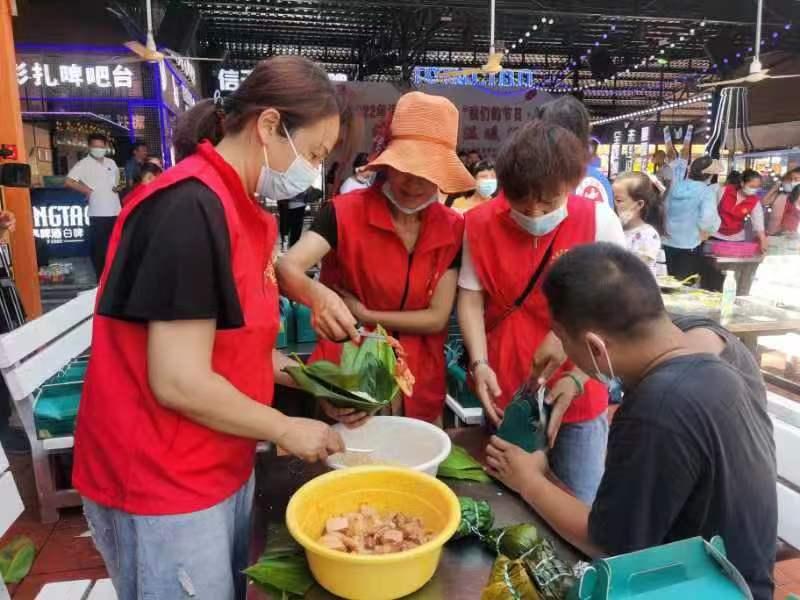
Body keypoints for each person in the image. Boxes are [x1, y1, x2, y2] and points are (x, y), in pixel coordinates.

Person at [72, 56, 354, 600]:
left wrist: (323, 386)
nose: (314, 172)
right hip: (162, 475)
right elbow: (178, 380)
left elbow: (237, 350)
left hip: (219, 458)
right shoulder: (188, 209)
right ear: (270, 125)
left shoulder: (243, 210)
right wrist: (283, 427)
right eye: (315, 154)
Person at [486, 243, 777, 600]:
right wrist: (577, 375)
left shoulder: (657, 410)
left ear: (595, 346)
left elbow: (609, 544)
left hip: (705, 590)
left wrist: (529, 479)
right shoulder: (717, 343)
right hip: (749, 579)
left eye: (563, 341)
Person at [457, 118, 625, 505]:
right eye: (521, 200)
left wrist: (581, 375)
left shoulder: (599, 220)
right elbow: (470, 296)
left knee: (578, 499)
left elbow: (618, 309)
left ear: (571, 184)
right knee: (505, 499)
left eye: (548, 201)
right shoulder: (479, 223)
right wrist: (480, 363)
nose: (533, 212)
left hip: (576, 388)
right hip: (506, 385)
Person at [277, 91, 473, 424]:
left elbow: (438, 318)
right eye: (405, 168)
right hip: (348, 371)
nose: (414, 183)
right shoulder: (344, 213)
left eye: (427, 172)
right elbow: (287, 267)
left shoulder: (453, 227)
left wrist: (366, 312)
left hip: (418, 378)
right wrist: (321, 298)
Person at [65, 133, 122, 277]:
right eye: (95, 146)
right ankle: (101, 278)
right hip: (98, 213)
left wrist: (118, 187)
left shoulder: (111, 162)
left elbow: (116, 181)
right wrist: (86, 190)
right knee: (100, 248)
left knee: (116, 246)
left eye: (101, 146)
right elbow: (68, 181)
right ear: (90, 147)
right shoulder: (83, 164)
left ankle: (115, 276)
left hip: (116, 210)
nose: (99, 149)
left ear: (105, 147)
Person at [661, 151, 722, 280]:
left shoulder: (676, 187)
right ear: (709, 176)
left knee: (666, 282)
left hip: (666, 243)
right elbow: (708, 218)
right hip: (689, 245)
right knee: (684, 286)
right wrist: (708, 231)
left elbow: (664, 209)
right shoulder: (706, 192)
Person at [613, 172, 666, 276]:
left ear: (639, 204)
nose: (614, 204)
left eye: (618, 200)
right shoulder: (615, 228)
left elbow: (636, 271)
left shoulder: (648, 235)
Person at [713, 168, 768, 252]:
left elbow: (758, 223)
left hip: (736, 238)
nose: (754, 190)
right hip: (716, 234)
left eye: (757, 187)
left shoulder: (755, 202)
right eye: (752, 186)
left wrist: (763, 240)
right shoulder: (724, 191)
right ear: (742, 183)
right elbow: (711, 210)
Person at [764, 168, 800, 235]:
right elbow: (764, 202)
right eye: (790, 180)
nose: (792, 182)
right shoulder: (781, 195)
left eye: (796, 179)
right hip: (773, 233)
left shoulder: (796, 199)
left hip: (792, 236)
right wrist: (774, 188)